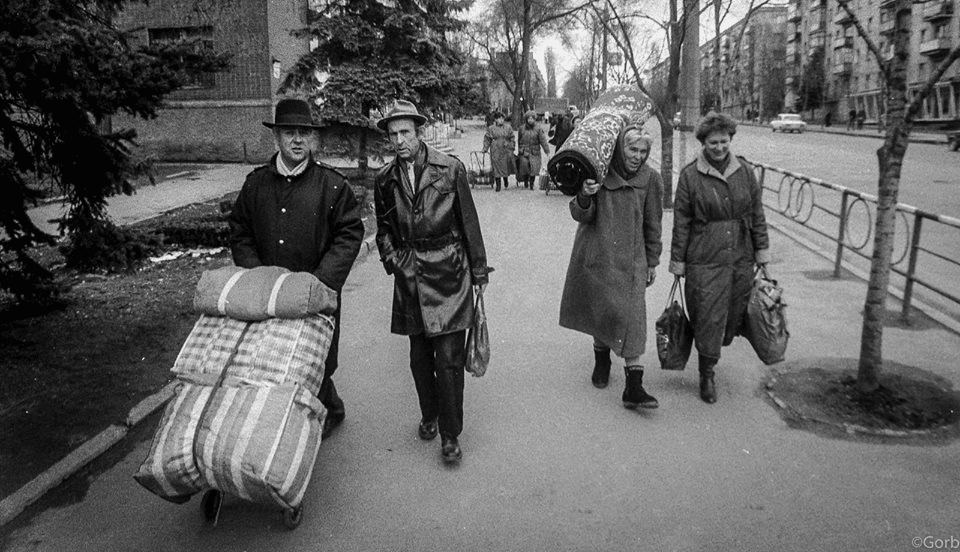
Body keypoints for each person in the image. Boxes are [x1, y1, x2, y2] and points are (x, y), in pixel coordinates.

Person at [228, 97, 365, 436]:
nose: (298, 140)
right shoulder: (255, 184)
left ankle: (328, 411)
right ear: (277, 137)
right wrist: (257, 275)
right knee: (273, 356)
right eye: (290, 133)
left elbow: (349, 234)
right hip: (268, 295)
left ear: (313, 138)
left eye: (304, 133)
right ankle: (286, 417)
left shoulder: (332, 186)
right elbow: (239, 230)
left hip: (314, 292)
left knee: (317, 359)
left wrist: (320, 283)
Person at [374, 99, 491, 464]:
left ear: (419, 132)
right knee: (419, 358)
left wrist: (479, 272)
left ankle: (450, 434)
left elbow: (469, 222)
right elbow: (383, 230)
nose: (399, 141)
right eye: (393, 134)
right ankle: (430, 413)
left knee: (449, 359)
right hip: (409, 275)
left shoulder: (449, 168)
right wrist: (393, 260)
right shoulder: (385, 179)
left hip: (449, 273)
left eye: (405, 132)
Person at [668, 112, 771, 404]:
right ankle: (707, 373)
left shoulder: (745, 171)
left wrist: (762, 252)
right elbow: (681, 221)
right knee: (708, 316)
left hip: (740, 255)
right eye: (713, 142)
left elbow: (757, 214)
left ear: (731, 140)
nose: (719, 147)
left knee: (733, 316)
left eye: (724, 141)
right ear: (703, 142)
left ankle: (712, 353)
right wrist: (678, 261)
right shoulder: (690, 175)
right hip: (704, 257)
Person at [559, 124, 663, 410]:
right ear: (619, 148)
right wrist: (585, 194)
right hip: (599, 255)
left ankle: (634, 386)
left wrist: (653, 261)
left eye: (643, 151)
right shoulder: (598, 173)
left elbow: (653, 224)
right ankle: (602, 361)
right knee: (602, 310)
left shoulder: (651, 179)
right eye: (632, 149)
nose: (638, 156)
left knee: (633, 318)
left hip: (633, 261)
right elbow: (580, 214)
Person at [516, 110, 550, 190]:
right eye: (529, 118)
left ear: (534, 119)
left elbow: (543, 140)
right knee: (524, 167)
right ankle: (525, 180)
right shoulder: (522, 128)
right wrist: (519, 150)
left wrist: (547, 151)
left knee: (534, 168)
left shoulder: (538, 129)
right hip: (524, 151)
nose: (530, 120)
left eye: (532, 118)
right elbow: (519, 140)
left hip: (535, 151)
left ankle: (531, 183)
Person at [482, 111, 516, 192]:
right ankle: (498, 184)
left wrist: (511, 146)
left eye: (502, 118)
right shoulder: (491, 128)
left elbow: (512, 137)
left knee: (505, 166)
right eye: (499, 118)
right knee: (496, 165)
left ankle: (505, 179)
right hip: (496, 148)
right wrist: (485, 148)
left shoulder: (508, 128)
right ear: (496, 119)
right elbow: (487, 139)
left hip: (505, 148)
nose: (501, 120)